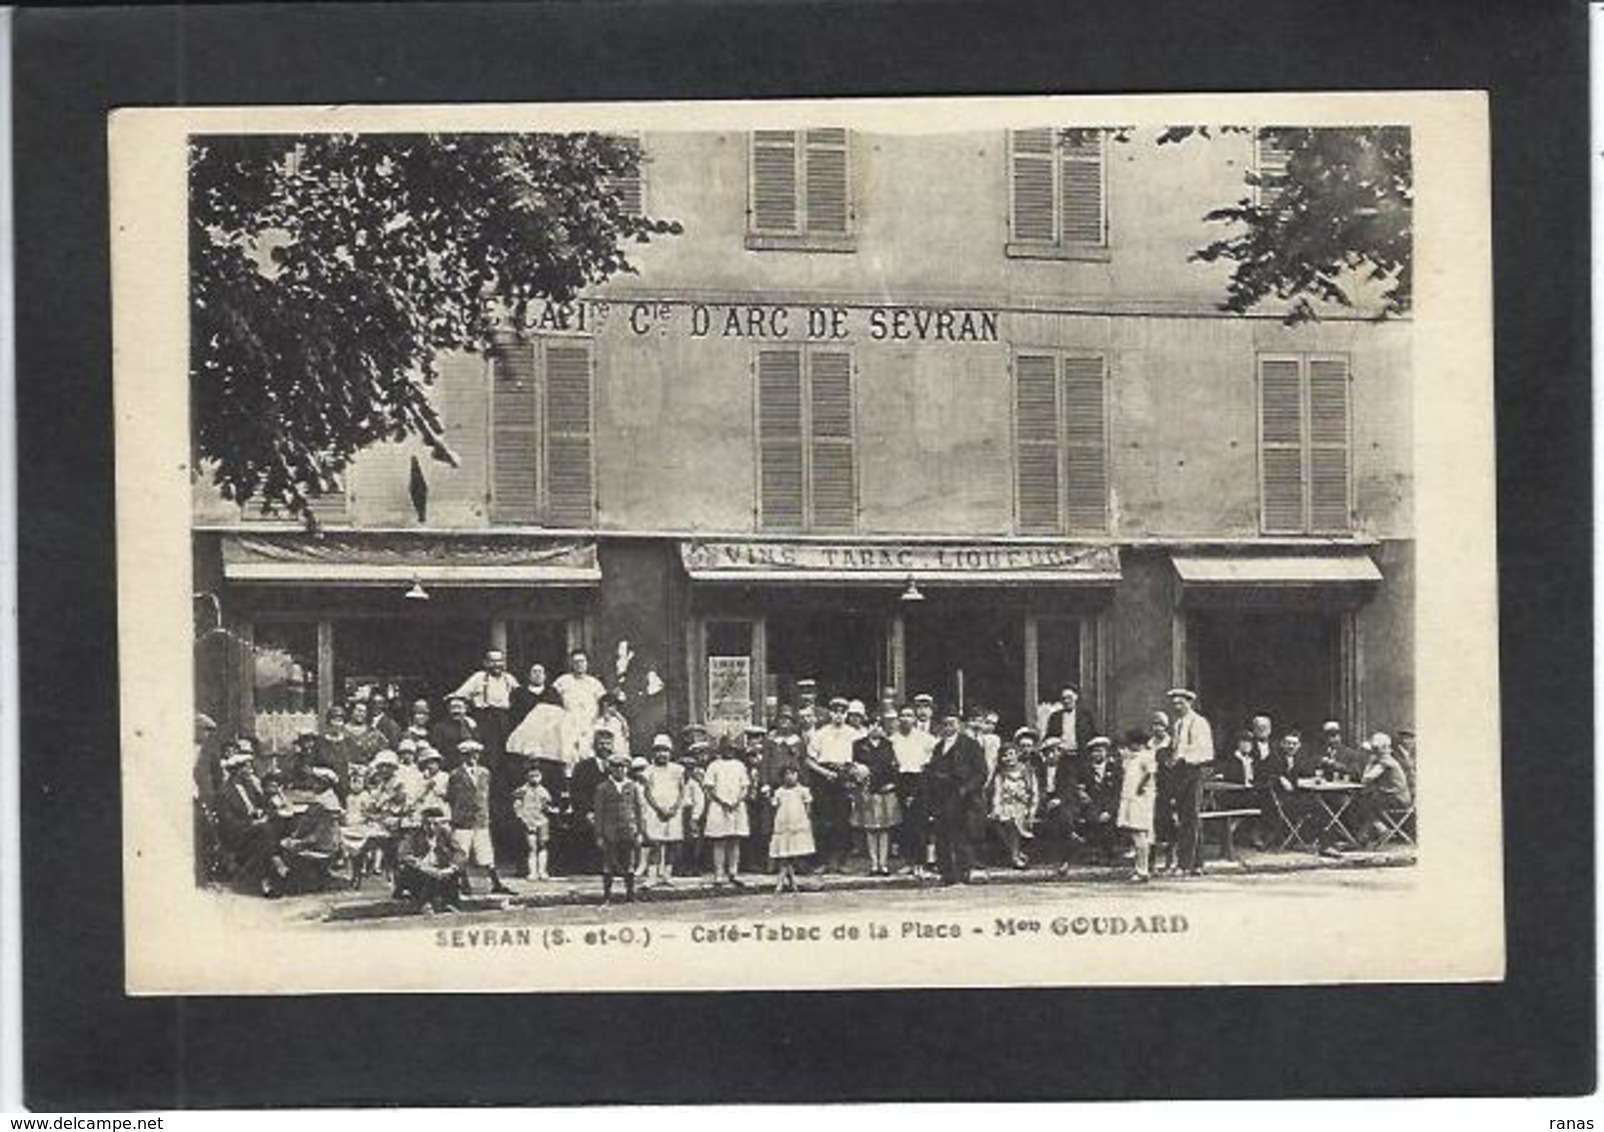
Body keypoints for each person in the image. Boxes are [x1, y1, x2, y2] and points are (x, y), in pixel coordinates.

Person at [923, 707, 989, 885]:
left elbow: (982, 773)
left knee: (961, 837)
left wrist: (966, 789)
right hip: (941, 797)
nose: (948, 727)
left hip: (962, 798)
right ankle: (947, 875)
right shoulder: (938, 747)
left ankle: (963, 874)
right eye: (945, 724)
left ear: (959, 725)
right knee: (942, 836)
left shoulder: (970, 745)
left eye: (952, 723)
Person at [446, 739, 512, 895]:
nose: (472, 758)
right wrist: (457, 814)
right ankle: (462, 884)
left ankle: (495, 883)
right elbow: (451, 796)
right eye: (468, 755)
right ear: (462, 756)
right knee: (461, 852)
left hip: (481, 819)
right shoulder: (455, 775)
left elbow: (486, 795)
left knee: (485, 852)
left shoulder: (484, 773)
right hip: (462, 819)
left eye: (475, 754)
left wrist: (485, 814)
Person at [806, 696, 858, 872]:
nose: (838, 716)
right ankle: (823, 861)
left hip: (845, 775)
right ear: (830, 713)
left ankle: (842, 861)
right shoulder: (820, 734)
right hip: (824, 777)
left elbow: (859, 759)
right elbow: (809, 760)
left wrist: (850, 774)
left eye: (842, 712)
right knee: (824, 821)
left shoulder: (853, 733)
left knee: (843, 820)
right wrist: (825, 772)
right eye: (835, 711)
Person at [1168, 688, 1215, 877]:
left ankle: (1185, 864)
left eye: (1181, 703)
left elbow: (1204, 750)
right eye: (1174, 704)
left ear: (1190, 703)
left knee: (1190, 817)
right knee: (1186, 816)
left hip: (1193, 770)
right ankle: (1197, 863)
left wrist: (1183, 758)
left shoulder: (1199, 723)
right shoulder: (1178, 723)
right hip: (1180, 772)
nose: (1177, 707)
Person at [850, 711, 903, 876]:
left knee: (884, 829)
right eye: (872, 725)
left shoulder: (888, 745)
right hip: (867, 791)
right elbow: (854, 767)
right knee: (870, 829)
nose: (875, 728)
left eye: (879, 725)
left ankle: (884, 863)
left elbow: (893, 767)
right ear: (867, 727)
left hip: (884, 790)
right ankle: (873, 864)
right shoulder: (859, 745)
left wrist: (892, 784)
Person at [393, 805, 467, 913]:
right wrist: (423, 867)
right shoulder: (413, 835)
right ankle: (424, 903)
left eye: (436, 824)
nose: (432, 827)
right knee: (423, 875)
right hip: (420, 870)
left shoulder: (445, 834)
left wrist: (452, 868)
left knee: (452, 874)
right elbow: (404, 855)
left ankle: (449, 903)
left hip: (439, 869)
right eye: (428, 824)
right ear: (423, 823)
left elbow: (459, 852)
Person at [593, 751, 643, 904]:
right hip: (610, 832)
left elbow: (638, 809)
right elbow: (599, 812)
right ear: (610, 769)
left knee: (629, 864)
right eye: (615, 767)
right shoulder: (603, 788)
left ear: (627, 768)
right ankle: (607, 896)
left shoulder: (632, 786)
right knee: (609, 864)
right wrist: (599, 835)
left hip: (628, 830)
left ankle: (630, 895)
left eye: (622, 767)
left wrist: (640, 831)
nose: (619, 770)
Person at [890, 706, 935, 876]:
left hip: (921, 781)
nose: (905, 718)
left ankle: (921, 863)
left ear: (915, 719)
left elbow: (931, 764)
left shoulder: (926, 739)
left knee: (921, 824)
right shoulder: (893, 739)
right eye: (902, 715)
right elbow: (892, 764)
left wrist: (918, 788)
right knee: (905, 825)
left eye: (909, 715)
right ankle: (908, 861)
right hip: (901, 781)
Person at [702, 738, 752, 887]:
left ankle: (733, 872)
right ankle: (719, 874)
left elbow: (745, 786)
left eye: (731, 749)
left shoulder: (739, 765)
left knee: (735, 840)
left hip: (736, 806)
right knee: (719, 840)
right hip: (719, 807)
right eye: (726, 748)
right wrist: (722, 802)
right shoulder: (714, 766)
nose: (729, 751)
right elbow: (709, 788)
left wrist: (737, 801)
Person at [640, 734, 686, 886]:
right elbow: (647, 792)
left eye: (665, 751)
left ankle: (667, 875)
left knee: (671, 843)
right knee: (656, 844)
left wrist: (674, 808)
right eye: (659, 751)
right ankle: (652, 876)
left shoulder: (677, 770)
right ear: (654, 753)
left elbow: (681, 791)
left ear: (670, 752)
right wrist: (658, 808)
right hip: (655, 812)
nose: (662, 754)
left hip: (673, 811)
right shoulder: (648, 770)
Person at [1354, 732, 1413, 844]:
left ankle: (1382, 829)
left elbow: (1366, 778)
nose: (1373, 751)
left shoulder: (1385, 762)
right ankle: (1364, 835)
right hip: (1397, 796)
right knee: (1366, 798)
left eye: (1375, 749)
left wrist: (1370, 763)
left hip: (1398, 799)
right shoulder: (1387, 759)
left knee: (1363, 801)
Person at [1117, 727, 1158, 882]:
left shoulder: (1146, 756)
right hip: (1130, 798)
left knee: (1140, 834)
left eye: (1132, 743)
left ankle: (1143, 870)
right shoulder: (1133, 758)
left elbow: (1150, 773)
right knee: (1135, 835)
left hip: (1139, 799)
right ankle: (1139, 868)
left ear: (1139, 744)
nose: (1129, 746)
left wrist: (1140, 787)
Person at [554, 649, 609, 767]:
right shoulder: (562, 681)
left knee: (589, 757)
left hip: (589, 726)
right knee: (569, 759)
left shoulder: (595, 683)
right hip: (568, 726)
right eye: (576, 662)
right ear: (571, 664)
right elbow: (552, 701)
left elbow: (605, 704)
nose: (579, 665)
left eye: (582, 661)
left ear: (587, 663)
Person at [1072, 736, 1122, 863]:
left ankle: (1110, 853)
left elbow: (1118, 793)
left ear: (1106, 752)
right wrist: (1081, 793)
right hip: (1091, 804)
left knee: (1108, 822)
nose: (1098, 754)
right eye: (1095, 751)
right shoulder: (1085, 769)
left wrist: (1109, 811)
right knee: (1092, 819)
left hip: (1110, 805)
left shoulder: (1115, 769)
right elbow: (1079, 786)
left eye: (1101, 750)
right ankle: (1094, 852)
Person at [988, 743, 1038, 869]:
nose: (1008, 758)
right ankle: (1014, 852)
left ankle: (1014, 856)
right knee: (996, 819)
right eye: (1004, 755)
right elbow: (997, 794)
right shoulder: (1000, 775)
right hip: (1006, 804)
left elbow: (1034, 792)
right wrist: (996, 808)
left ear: (1017, 755)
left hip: (1023, 805)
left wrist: (1032, 811)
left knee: (1012, 820)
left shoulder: (1027, 771)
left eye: (1011, 754)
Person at [768, 763, 815, 894]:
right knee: (785, 855)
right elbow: (775, 806)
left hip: (797, 824)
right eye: (787, 774)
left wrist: (805, 822)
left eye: (793, 774)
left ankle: (785, 882)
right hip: (783, 825)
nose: (790, 777)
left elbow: (808, 808)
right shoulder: (779, 792)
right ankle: (785, 883)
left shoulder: (803, 790)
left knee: (790, 855)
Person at [1044, 686, 1097, 760]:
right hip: (1061, 758)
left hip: (1081, 758)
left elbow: (1093, 737)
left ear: (1076, 697)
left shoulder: (1086, 717)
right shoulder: (1055, 717)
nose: (1066, 701)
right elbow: (1049, 737)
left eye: (1069, 697)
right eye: (1063, 698)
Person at [429, 696, 479, 771]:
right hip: (449, 767)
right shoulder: (440, 727)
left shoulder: (471, 726)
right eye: (453, 707)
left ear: (465, 709)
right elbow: (436, 750)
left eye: (459, 707)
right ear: (448, 709)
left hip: (470, 766)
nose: (456, 711)